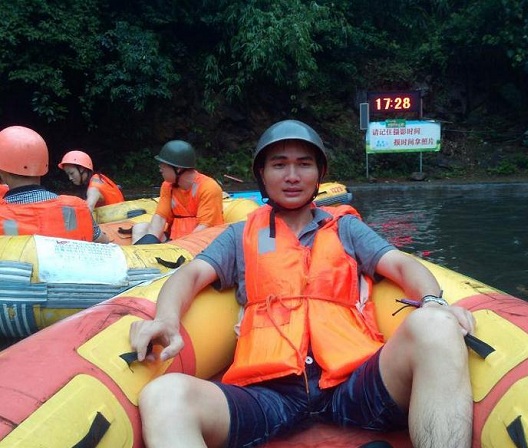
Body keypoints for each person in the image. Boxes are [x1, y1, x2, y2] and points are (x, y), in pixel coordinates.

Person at [130, 119, 475, 447]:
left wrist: (433, 301)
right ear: (262, 174)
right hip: (268, 393)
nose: (292, 176)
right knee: (163, 396)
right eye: (279, 165)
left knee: (436, 323)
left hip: (353, 382)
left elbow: (402, 264)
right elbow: (189, 275)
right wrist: (166, 320)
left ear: (319, 173)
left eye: (304, 164)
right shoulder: (240, 235)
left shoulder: (346, 228)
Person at [0, 126, 109, 243]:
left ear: (2, 171)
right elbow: (104, 242)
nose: (70, 178)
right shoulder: (77, 206)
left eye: (72, 173)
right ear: (43, 166)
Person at [132, 139, 224, 244]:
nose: (160, 168)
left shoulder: (209, 187)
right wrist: (149, 241)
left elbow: (205, 227)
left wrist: (176, 245)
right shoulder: (167, 186)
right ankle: (137, 253)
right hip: (174, 238)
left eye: (163, 164)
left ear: (178, 169)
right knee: (140, 228)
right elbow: (160, 217)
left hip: (199, 242)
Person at [58, 150, 125, 211]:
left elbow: (88, 208)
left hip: (117, 218)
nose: (70, 178)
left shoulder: (94, 188)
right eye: (68, 174)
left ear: (82, 169)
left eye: (72, 173)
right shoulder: (98, 178)